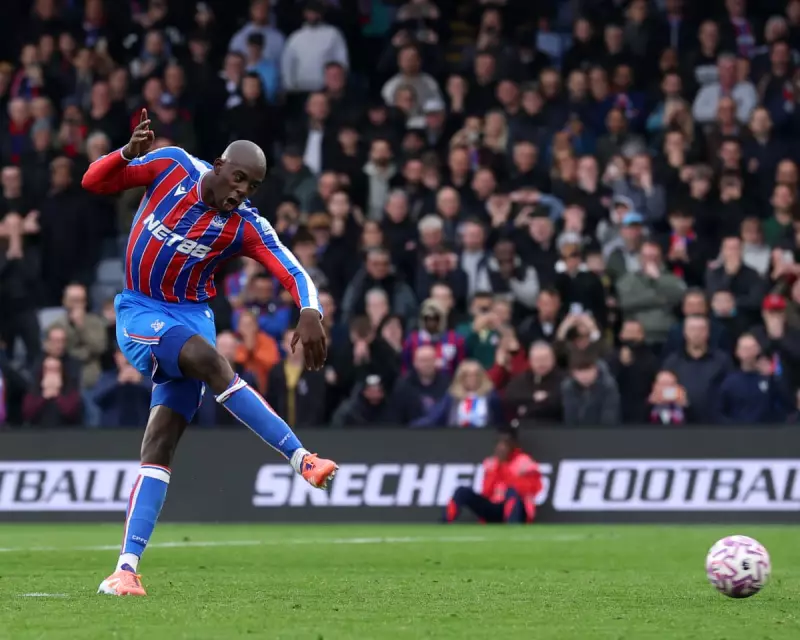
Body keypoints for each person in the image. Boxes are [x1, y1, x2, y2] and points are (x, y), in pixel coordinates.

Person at [81, 110, 338, 596]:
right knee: (209, 359)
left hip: (192, 314)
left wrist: (310, 309)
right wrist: (127, 153)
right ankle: (301, 457)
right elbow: (94, 182)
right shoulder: (173, 165)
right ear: (218, 166)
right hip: (141, 312)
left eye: (254, 186)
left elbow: (292, 268)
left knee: (159, 447)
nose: (243, 191)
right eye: (239, 178)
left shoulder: (244, 225)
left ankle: (126, 570)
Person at [444, 426, 542, 524]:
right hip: (495, 507)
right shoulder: (491, 462)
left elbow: (534, 488)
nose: (501, 446)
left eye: (505, 443)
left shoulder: (525, 461)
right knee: (462, 491)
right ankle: (444, 523)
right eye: (499, 442)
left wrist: (504, 469)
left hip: (517, 509)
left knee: (512, 492)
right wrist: (497, 468)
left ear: (514, 444)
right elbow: (487, 491)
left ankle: (513, 529)